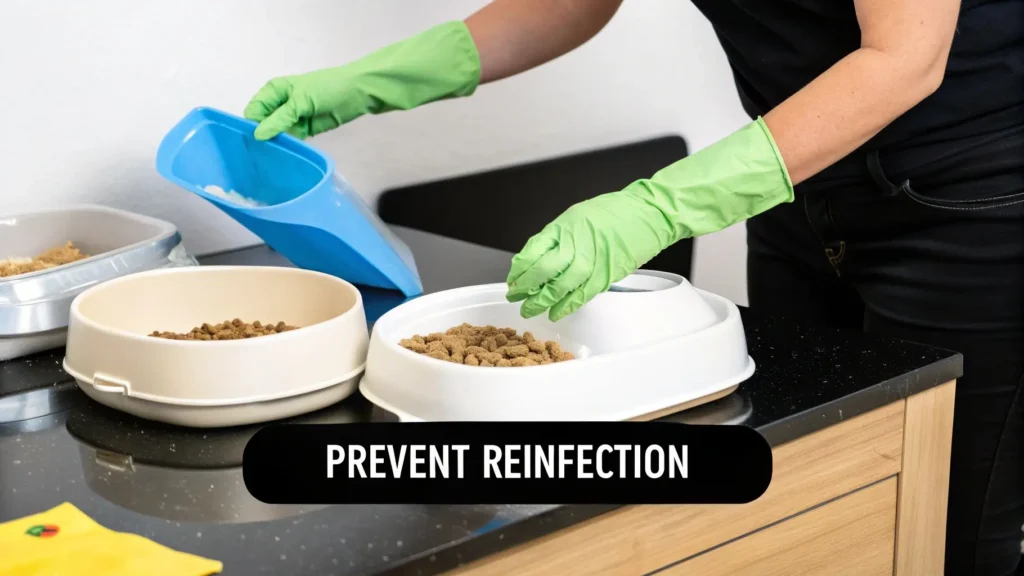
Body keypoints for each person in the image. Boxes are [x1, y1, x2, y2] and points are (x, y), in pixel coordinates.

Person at [243, 1, 1024, 573]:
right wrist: (370, 82)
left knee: (950, 528)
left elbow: (905, 57)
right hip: (796, 184)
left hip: (972, 199)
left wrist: (664, 204)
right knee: (799, 489)